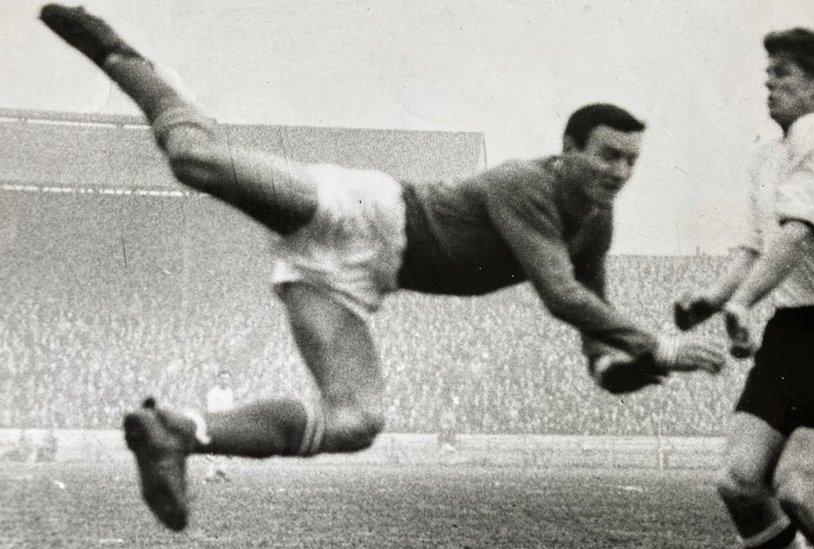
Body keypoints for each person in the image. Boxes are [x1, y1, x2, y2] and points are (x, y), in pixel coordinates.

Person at [39, 4, 726, 532]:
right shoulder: (528, 185)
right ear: (567, 148)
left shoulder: (595, 225)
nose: (620, 172)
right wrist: (659, 342)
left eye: (631, 161)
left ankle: (180, 432)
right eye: (607, 155)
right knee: (196, 161)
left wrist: (641, 363)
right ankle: (128, 61)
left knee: (356, 421)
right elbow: (560, 294)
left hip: (361, 282)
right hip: (361, 210)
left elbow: (599, 354)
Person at [674, 28, 814, 549]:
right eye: (768, 75)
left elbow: (799, 234)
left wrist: (741, 302)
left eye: (783, 75)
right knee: (737, 483)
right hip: (794, 334)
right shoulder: (764, 157)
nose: (769, 85)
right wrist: (711, 301)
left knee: (797, 490)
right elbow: (755, 247)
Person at [203, 370, 234, 482]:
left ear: (229, 380)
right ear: (218, 379)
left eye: (227, 379)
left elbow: (230, 410)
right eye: (222, 378)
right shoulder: (213, 393)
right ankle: (209, 474)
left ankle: (221, 471)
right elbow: (211, 411)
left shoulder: (230, 392)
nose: (224, 381)